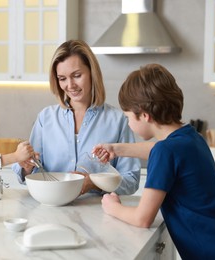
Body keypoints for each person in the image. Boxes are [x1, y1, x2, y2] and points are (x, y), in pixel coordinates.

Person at [92, 64, 215, 259]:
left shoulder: (167, 151)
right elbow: (161, 151)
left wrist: (113, 207)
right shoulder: (191, 137)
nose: (127, 123)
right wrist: (116, 149)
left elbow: (142, 219)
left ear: (145, 115)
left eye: (128, 117)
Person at [12, 40, 140, 195]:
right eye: (62, 78)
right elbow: (30, 173)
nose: (70, 85)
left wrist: (94, 183)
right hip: (51, 210)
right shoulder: (45, 119)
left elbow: (131, 181)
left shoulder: (117, 120)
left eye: (77, 75)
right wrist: (26, 167)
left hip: (99, 213)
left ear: (92, 73)